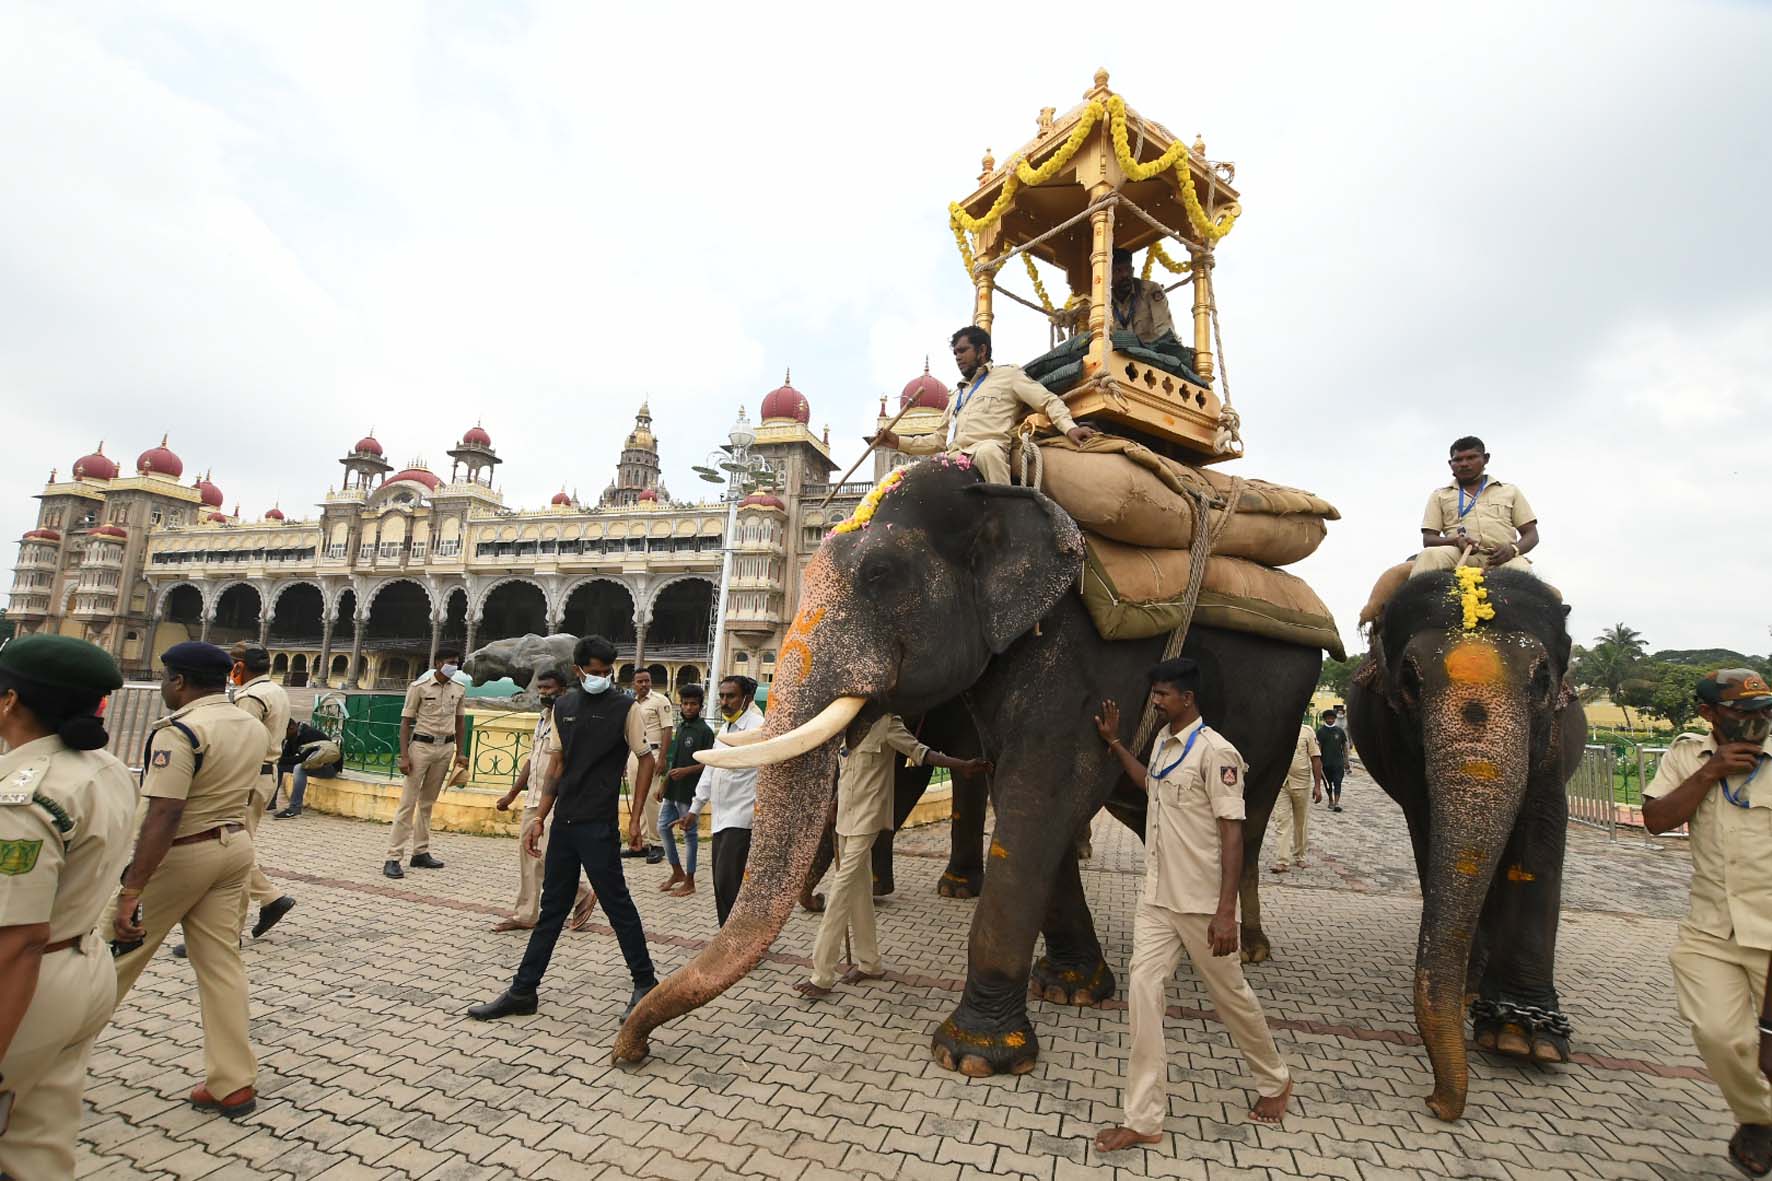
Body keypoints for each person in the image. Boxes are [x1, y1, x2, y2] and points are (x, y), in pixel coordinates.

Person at [1092, 657, 1292, 1152]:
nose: (1155, 701)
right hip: (1157, 899)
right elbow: (1150, 785)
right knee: (1142, 991)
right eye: (1154, 693)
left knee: (1232, 996)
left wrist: (1229, 912)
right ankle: (1143, 1118)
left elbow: (1233, 836)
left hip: (1203, 906)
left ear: (1187, 698)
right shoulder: (1162, 743)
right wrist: (1117, 744)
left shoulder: (1216, 753)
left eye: (1162, 694)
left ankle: (1275, 1079)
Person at [467, 635, 659, 1021]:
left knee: (618, 904)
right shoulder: (564, 707)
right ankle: (523, 991)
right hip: (565, 822)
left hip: (598, 825)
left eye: (607, 672)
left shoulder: (626, 708)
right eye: (594, 671)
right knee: (553, 908)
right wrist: (540, 816)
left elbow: (647, 760)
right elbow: (555, 766)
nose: (601, 678)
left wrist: (636, 818)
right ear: (578, 670)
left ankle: (645, 983)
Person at [0, 636, 135, 1178]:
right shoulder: (107, 770)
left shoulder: (25, 797)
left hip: (28, 982)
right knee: (37, 1145)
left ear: (10, 701)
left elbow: (17, 938)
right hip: (84, 964)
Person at [112, 641, 265, 1118]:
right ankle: (233, 1082)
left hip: (181, 853)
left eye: (165, 679)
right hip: (233, 848)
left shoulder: (181, 731)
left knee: (109, 961)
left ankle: (38, 1067)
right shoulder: (248, 723)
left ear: (178, 681)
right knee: (221, 967)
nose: (162, 687)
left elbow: (164, 812)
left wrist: (131, 889)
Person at [1643, 669, 1772, 1178]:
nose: (1758, 722)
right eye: (1744, 714)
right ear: (1709, 715)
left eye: (1766, 711)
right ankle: (1758, 1120)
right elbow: (1656, 820)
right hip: (1710, 929)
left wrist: (1768, 1029)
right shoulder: (1687, 755)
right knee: (1718, 1034)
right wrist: (1709, 773)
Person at [795, 715, 987, 999]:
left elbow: (921, 752)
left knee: (840, 892)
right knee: (859, 891)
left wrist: (961, 766)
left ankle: (821, 976)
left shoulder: (886, 724)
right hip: (845, 818)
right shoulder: (846, 724)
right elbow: (845, 770)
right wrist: (834, 802)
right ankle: (870, 964)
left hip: (868, 818)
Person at [870, 325, 1098, 484]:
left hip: (987, 451)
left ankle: (1006, 522)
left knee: (988, 452)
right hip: (954, 456)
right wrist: (897, 441)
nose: (958, 357)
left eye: (962, 351)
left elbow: (1047, 401)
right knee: (920, 478)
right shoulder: (957, 395)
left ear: (981, 351)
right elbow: (938, 440)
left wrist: (1070, 427)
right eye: (955, 353)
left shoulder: (1008, 375)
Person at [491, 668, 594, 933]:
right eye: (540, 688)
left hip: (557, 798)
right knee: (529, 855)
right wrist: (512, 794)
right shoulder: (543, 718)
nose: (543, 693)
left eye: (548, 688)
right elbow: (532, 758)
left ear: (562, 689)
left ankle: (581, 895)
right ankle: (527, 914)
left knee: (547, 855)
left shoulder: (569, 719)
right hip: (534, 797)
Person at [679, 675, 765, 925]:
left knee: (729, 879)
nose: (724, 702)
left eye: (731, 696)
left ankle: (741, 939)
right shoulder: (726, 728)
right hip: (721, 816)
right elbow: (710, 769)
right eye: (722, 696)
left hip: (743, 816)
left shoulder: (758, 727)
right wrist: (695, 809)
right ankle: (728, 937)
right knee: (721, 880)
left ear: (746, 699)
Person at [225, 643, 295, 943]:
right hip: (265, 774)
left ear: (239, 667)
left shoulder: (250, 697)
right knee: (237, 848)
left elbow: (241, 743)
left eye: (232, 665)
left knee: (234, 853)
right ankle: (270, 898)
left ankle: (230, 933)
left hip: (247, 777)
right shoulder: (274, 690)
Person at [385, 649, 467, 879]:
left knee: (427, 802)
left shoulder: (458, 689)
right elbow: (405, 723)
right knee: (408, 803)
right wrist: (404, 755)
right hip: (421, 747)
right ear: (438, 663)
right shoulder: (419, 687)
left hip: (445, 748)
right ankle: (393, 857)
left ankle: (420, 851)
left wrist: (461, 752)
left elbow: (460, 723)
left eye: (457, 663)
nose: (454, 666)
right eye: (451, 662)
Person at [1411, 436, 1539, 577]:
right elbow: (1428, 539)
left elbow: (1531, 534)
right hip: (1457, 554)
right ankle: (1411, 600)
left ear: (1486, 459)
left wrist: (1513, 550)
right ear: (1450, 463)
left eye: (1471, 457)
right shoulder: (1440, 495)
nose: (1464, 464)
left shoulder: (1509, 491)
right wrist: (1456, 541)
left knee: (1522, 571)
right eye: (1458, 460)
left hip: (1502, 558)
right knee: (1429, 555)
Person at [657, 683, 715, 897]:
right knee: (663, 827)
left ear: (700, 706)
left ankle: (690, 880)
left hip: (690, 792)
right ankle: (677, 872)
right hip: (673, 790)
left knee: (690, 835)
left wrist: (687, 771)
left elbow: (710, 763)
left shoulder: (704, 731)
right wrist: (664, 783)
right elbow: (674, 760)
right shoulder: (680, 728)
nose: (688, 707)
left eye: (693, 704)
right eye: (685, 704)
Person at [624, 669, 673, 865]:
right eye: (640, 681)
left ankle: (657, 842)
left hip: (653, 753)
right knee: (637, 798)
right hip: (634, 754)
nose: (644, 684)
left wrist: (662, 758)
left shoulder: (660, 701)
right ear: (633, 683)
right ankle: (640, 842)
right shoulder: (631, 703)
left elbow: (668, 729)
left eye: (647, 681)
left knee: (652, 798)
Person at [1268, 718, 1323, 873]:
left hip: (1302, 784)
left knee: (1301, 822)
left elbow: (1316, 758)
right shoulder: (1277, 730)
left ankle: (1299, 856)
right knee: (1281, 821)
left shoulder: (1307, 731)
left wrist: (1318, 787)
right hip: (1281, 784)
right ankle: (1282, 860)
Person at [272, 719, 340, 818]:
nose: (282, 734)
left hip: (329, 767)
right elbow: (286, 757)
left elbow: (301, 759)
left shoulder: (309, 735)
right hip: (313, 764)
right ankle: (271, 803)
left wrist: (278, 759)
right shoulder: (293, 736)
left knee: (299, 768)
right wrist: (276, 758)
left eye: (283, 731)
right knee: (279, 767)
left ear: (292, 728)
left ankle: (294, 808)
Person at [1316, 708, 1349, 812]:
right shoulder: (1321, 732)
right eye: (1328, 718)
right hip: (1325, 763)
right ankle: (1330, 799)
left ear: (1334, 719)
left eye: (1332, 718)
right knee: (1328, 783)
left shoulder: (1339, 731)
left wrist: (1346, 761)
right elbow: (1318, 748)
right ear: (1325, 719)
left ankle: (1336, 803)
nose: (1330, 720)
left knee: (1338, 782)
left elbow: (1344, 746)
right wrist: (1318, 762)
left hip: (1338, 762)